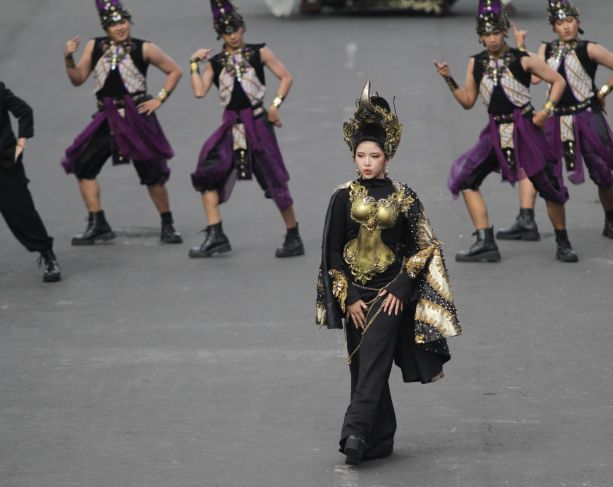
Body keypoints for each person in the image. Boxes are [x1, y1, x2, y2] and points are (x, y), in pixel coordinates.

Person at [316, 82, 461, 465]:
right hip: (356, 296)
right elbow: (331, 251)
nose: (366, 162)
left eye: (374, 155)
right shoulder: (342, 197)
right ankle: (380, 439)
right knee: (362, 364)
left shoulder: (405, 197)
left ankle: (354, 432)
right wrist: (347, 297)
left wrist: (400, 286)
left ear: (387, 157)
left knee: (374, 359)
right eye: (361, 155)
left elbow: (425, 246)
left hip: (390, 296)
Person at [434, 0, 578, 263]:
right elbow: (467, 101)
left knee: (549, 186)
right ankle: (485, 241)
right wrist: (448, 77)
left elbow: (557, 81)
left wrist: (545, 110)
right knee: (467, 180)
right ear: (480, 37)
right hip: (495, 132)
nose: (491, 39)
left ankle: (563, 241)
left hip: (526, 129)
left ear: (504, 32)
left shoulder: (524, 60)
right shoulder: (475, 63)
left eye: (495, 33)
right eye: (486, 34)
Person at [503, 0, 613, 241]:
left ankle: (611, 220)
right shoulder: (546, 49)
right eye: (560, 23)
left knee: (602, 171)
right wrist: (520, 46)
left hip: (586, 115)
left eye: (570, 21)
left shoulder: (589, 49)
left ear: (578, 22)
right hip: (554, 119)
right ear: (553, 26)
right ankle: (535, 221)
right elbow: (535, 80)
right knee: (543, 168)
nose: (566, 27)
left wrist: (602, 92)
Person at [61, 0, 183, 246]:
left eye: (123, 22)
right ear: (106, 27)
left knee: (152, 171)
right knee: (83, 165)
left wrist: (159, 99)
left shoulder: (144, 48)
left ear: (129, 21)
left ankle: (167, 223)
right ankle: (98, 223)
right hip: (106, 118)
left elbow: (175, 71)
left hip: (137, 116)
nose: (120, 27)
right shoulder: (94, 46)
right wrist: (68, 58)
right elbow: (78, 79)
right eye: (114, 24)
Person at [188, 0, 303, 258]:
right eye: (227, 31)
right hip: (231, 127)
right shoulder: (215, 63)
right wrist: (194, 65)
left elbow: (286, 77)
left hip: (258, 123)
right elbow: (199, 91)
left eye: (236, 29)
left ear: (242, 28)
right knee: (207, 171)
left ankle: (293, 234)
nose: (233, 35)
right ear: (220, 34)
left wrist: (274, 105)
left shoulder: (258, 53)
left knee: (274, 177)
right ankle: (215, 233)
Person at [0, 82, 61, 282]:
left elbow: (24, 111)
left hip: (5, 165)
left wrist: (21, 144)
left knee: (21, 211)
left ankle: (48, 255)